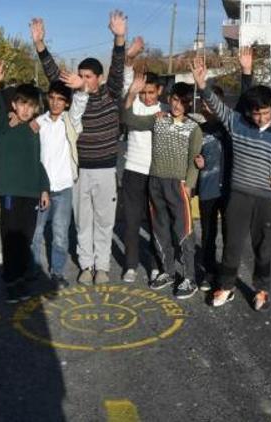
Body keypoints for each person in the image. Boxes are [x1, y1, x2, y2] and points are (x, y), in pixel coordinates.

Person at [192, 53, 271, 310]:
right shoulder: (238, 124)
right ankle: (226, 286)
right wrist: (202, 86)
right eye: (256, 114)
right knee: (232, 244)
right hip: (239, 197)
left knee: (263, 248)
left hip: (267, 201)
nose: (261, 119)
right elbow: (218, 106)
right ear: (249, 112)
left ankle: (262, 290)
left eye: (265, 113)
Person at [30, 11, 126, 285]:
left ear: (99, 77)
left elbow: (118, 65)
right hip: (80, 172)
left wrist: (119, 37)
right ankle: (86, 265)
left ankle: (103, 266)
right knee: (83, 223)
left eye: (88, 76)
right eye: (80, 75)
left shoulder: (111, 93)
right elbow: (53, 74)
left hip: (107, 171)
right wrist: (40, 44)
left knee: (104, 222)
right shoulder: (75, 97)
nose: (83, 80)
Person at [122, 76, 203, 299]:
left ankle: (189, 278)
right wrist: (131, 94)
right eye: (175, 100)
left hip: (179, 185)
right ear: (169, 99)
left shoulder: (193, 128)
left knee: (184, 231)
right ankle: (167, 272)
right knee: (159, 230)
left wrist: (190, 184)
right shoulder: (158, 119)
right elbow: (129, 119)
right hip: (155, 182)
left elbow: (194, 159)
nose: (178, 105)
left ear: (189, 105)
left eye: (183, 102)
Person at [0, 60, 51, 303]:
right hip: (11, 192)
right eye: (22, 104)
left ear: (35, 108)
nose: (25, 109)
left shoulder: (34, 131)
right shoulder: (6, 125)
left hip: (32, 193)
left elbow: (38, 162)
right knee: (11, 238)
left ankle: (22, 279)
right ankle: (11, 282)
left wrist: (44, 188)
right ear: (14, 104)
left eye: (31, 106)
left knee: (26, 237)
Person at [192, 48, 254, 292]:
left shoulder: (233, 125)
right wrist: (196, 167)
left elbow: (246, 100)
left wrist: (246, 71)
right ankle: (208, 271)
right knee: (208, 234)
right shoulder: (199, 129)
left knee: (230, 236)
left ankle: (226, 276)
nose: (208, 108)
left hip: (230, 190)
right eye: (205, 104)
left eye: (212, 104)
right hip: (207, 190)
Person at [29, 79, 89, 290]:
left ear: (67, 103)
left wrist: (81, 87)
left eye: (60, 99)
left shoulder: (71, 122)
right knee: (35, 233)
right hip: (40, 188)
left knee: (60, 234)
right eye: (52, 98)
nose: (55, 103)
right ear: (47, 98)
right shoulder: (37, 123)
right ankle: (33, 271)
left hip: (64, 188)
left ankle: (57, 272)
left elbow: (81, 103)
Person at [120, 38, 168, 283]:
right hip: (133, 171)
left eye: (151, 92)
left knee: (155, 223)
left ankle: (157, 266)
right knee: (130, 221)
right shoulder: (134, 103)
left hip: (158, 173)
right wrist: (130, 57)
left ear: (159, 91)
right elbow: (128, 77)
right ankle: (130, 265)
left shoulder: (167, 111)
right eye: (144, 92)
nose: (147, 97)